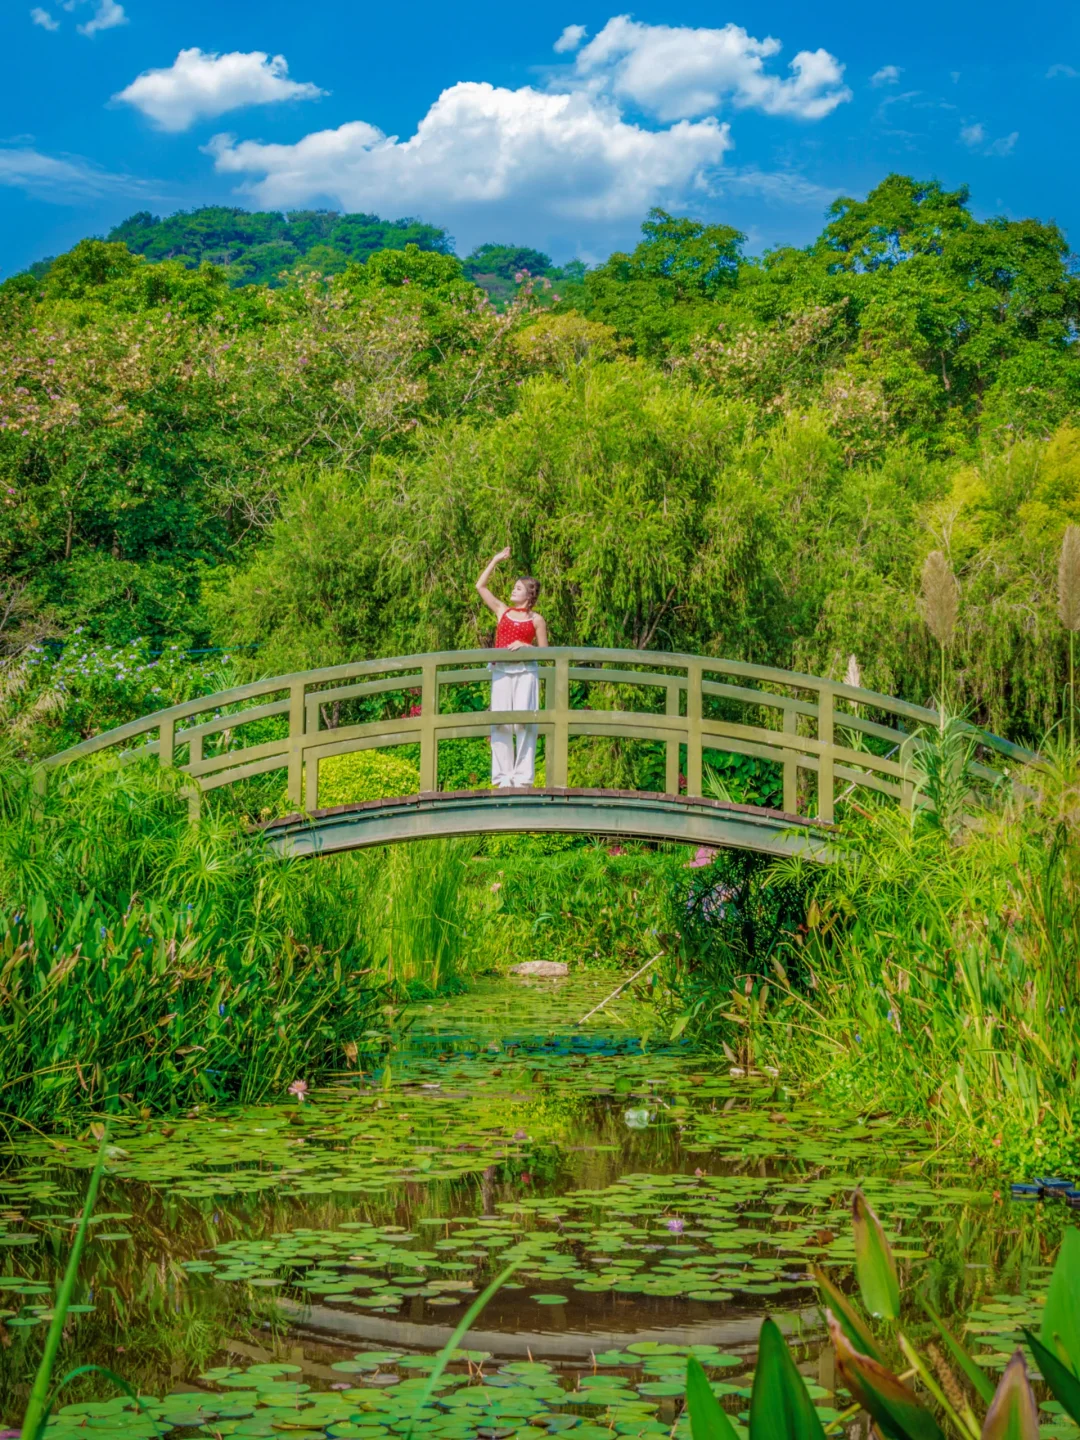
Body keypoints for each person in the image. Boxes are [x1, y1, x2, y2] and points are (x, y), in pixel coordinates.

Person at [475, 548, 548, 787]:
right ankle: (503, 778)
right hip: (501, 672)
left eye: (518, 588)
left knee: (525, 722)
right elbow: (481, 587)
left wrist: (526, 646)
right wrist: (494, 559)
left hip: (526, 672)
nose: (512, 590)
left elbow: (546, 653)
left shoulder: (536, 619)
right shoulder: (502, 611)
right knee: (501, 722)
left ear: (529, 595)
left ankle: (523, 778)